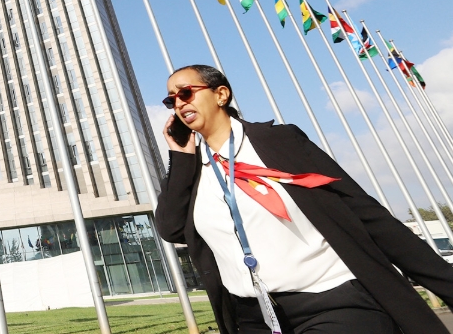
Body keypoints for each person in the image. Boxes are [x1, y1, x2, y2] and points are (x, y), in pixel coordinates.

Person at [155, 64, 453, 334]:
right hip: (254, 317)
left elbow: (364, 213)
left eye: (186, 92)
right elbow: (171, 229)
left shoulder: (280, 142)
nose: (180, 103)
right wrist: (180, 158)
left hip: (333, 302)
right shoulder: (191, 173)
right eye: (172, 100)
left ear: (221, 94)